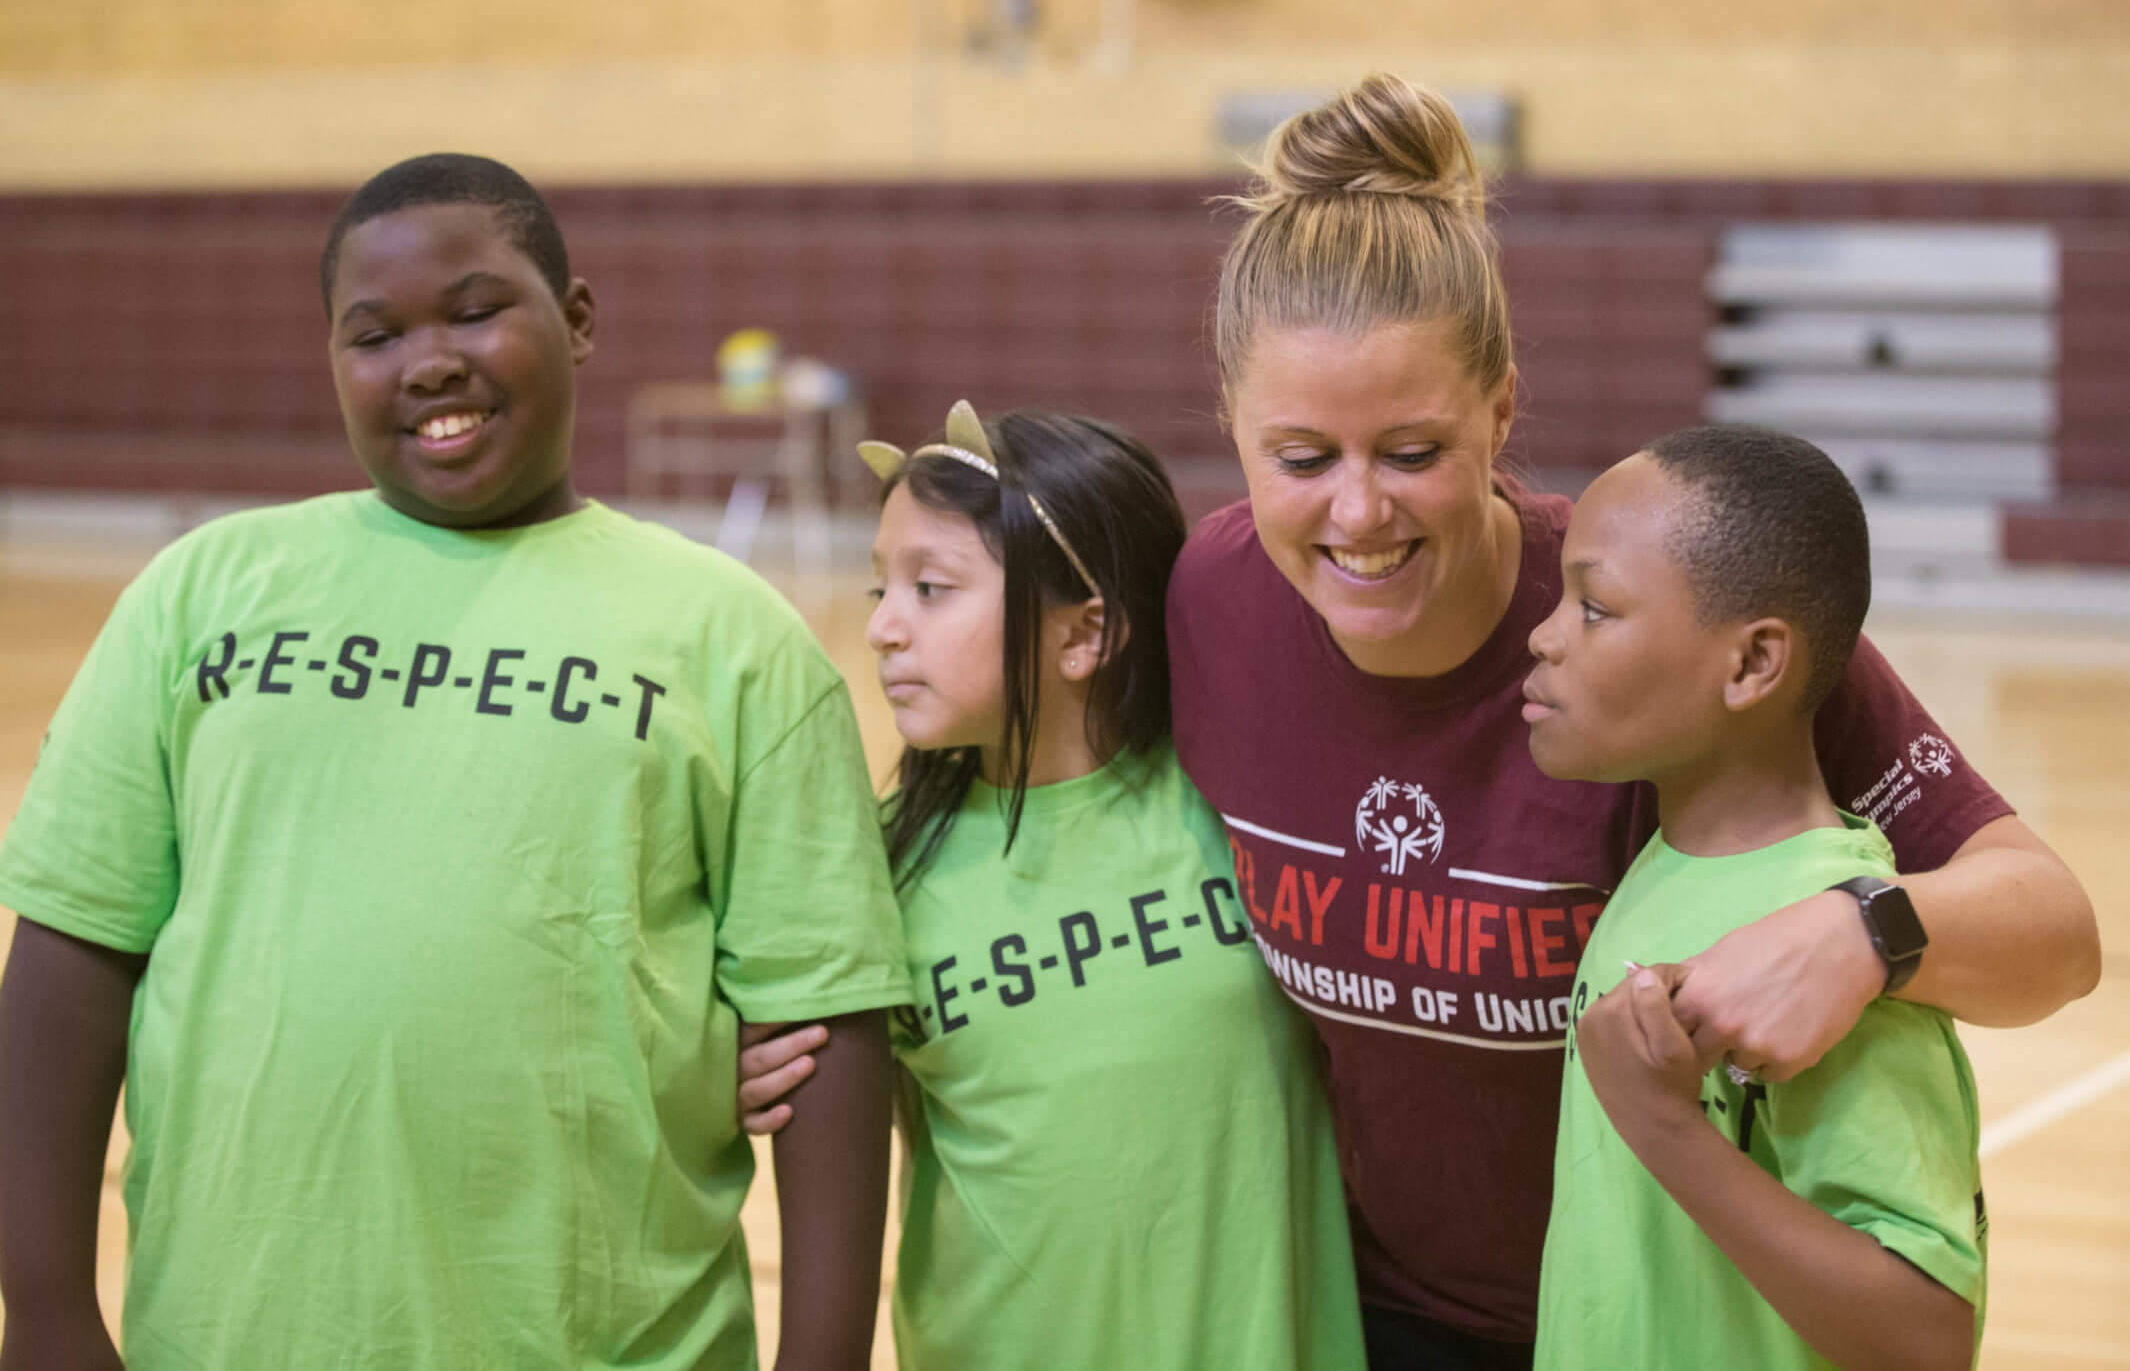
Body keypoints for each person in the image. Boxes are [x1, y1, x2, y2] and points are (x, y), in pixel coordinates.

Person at [1158, 74, 2095, 1367]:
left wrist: (1867, 929)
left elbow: (2052, 932)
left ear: (1499, 410)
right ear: (1231, 430)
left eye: (1414, 452)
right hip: (1349, 1312)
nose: (1358, 513)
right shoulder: (1208, 605)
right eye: (1302, 457)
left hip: (1651, 1327)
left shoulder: (1652, 625)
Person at [0, 153, 910, 1371]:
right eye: (373, 334)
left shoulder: (733, 637)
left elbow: (826, 1028)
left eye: (476, 311)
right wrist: (48, 1307)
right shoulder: (200, 594)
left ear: (576, 320)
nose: (429, 358)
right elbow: (71, 950)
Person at [837, 400, 1365, 1368]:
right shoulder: (875, 868)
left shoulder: (1248, 812)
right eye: (880, 588)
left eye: (929, 587)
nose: (881, 628)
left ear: (1086, 633)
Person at [1525, 427, 1983, 1369]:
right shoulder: (1660, 863)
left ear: (1751, 665)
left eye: (1596, 608)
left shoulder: (1818, 937)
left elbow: (1928, 1335)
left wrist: (1666, 1129)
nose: (1544, 634)